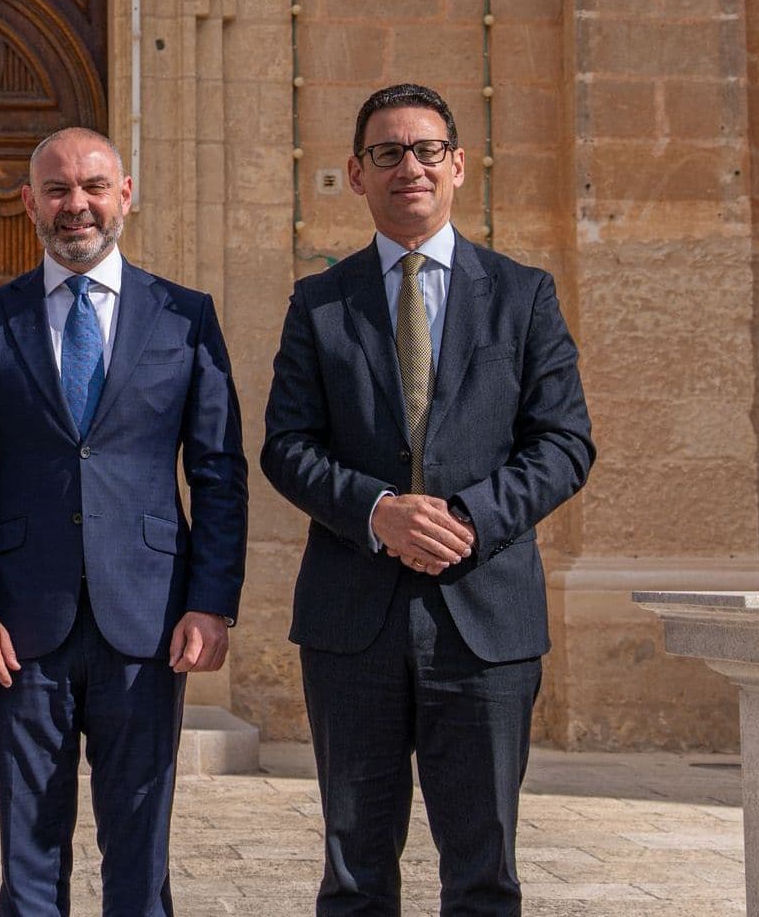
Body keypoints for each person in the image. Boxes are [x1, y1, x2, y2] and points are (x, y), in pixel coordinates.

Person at [261, 82, 595, 915]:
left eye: (424, 150)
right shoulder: (320, 303)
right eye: (386, 153)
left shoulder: (524, 296)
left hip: (484, 625)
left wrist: (467, 520)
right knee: (355, 873)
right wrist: (377, 512)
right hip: (352, 623)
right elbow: (286, 446)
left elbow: (564, 444)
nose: (407, 166)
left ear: (457, 166)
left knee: (484, 871)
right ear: (356, 173)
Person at [0, 127, 248, 916]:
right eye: (60, 190)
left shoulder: (185, 317)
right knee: (28, 854)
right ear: (30, 202)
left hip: (148, 618)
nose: (78, 206)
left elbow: (218, 470)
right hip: (20, 626)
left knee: (139, 849)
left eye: (94, 187)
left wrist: (211, 601)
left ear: (126, 195)